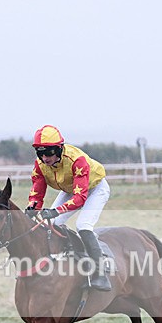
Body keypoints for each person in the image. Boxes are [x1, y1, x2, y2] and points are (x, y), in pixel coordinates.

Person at [25, 125, 112, 291]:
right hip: (71, 189)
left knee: (83, 226)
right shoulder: (40, 165)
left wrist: (56, 211)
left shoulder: (77, 160)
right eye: (40, 153)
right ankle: (65, 260)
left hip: (95, 189)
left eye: (49, 152)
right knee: (51, 224)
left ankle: (101, 273)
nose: (45, 157)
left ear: (59, 149)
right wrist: (32, 207)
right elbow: (37, 191)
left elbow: (80, 198)